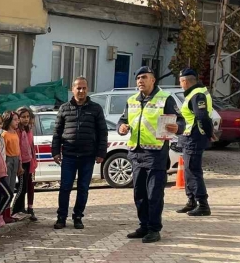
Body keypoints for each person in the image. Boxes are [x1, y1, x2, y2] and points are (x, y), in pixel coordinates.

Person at [118, 66, 185, 243]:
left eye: (144, 77)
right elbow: (123, 120)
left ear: (153, 80)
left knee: (153, 194)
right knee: (139, 193)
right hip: (136, 153)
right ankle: (144, 225)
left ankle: (154, 229)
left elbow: (180, 120)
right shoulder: (131, 100)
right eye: (138, 77)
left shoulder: (165, 99)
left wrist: (178, 127)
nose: (140, 80)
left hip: (156, 154)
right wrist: (121, 127)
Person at [52, 77, 107, 230]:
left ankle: (78, 217)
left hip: (87, 156)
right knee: (65, 187)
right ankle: (61, 217)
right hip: (69, 155)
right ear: (73, 89)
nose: (81, 91)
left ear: (87, 89)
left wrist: (101, 152)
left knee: (83, 188)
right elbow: (57, 132)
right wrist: (55, 151)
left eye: (84, 88)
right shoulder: (64, 108)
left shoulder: (96, 109)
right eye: (78, 88)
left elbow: (103, 132)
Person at [177, 68, 214, 217]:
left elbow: (203, 117)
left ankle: (203, 204)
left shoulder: (197, 95)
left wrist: (209, 134)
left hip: (195, 137)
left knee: (193, 170)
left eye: (180, 82)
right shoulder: (195, 93)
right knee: (188, 170)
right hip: (190, 137)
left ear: (185, 81)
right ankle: (191, 201)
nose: (180, 85)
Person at [11, 106, 38, 221]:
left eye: (27, 117)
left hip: (29, 161)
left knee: (27, 186)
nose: (26, 119)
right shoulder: (17, 131)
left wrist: (33, 161)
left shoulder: (28, 129)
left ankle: (25, 209)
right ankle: (15, 210)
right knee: (21, 187)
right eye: (23, 117)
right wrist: (20, 164)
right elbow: (18, 149)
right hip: (21, 163)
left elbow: (30, 146)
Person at [1, 111, 21, 224]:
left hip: (15, 160)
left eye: (17, 119)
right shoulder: (4, 134)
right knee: (7, 188)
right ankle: (3, 214)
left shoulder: (15, 133)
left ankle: (8, 213)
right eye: (15, 119)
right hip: (8, 160)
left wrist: (20, 163)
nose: (17, 122)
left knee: (12, 186)